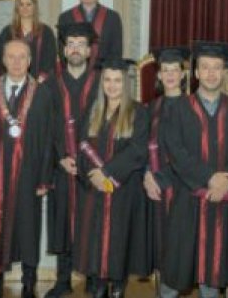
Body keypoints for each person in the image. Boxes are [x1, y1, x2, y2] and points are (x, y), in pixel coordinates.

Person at [160, 42, 228, 298]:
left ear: (224, 72)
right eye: (205, 67)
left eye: (216, 68)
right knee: (176, 269)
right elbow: (176, 152)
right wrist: (209, 177)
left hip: (224, 200)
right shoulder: (177, 108)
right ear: (196, 73)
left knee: (214, 271)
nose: (211, 73)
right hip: (188, 198)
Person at [73, 57, 147, 298]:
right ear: (101, 82)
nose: (112, 85)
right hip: (94, 191)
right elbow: (81, 148)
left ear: (125, 84)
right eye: (107, 80)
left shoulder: (138, 112)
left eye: (117, 81)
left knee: (118, 240)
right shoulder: (92, 111)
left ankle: (117, 286)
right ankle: (97, 284)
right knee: (94, 240)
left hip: (123, 191)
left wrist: (107, 173)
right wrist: (91, 176)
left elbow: (137, 150)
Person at [0, 39, 54, 298]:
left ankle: (29, 281)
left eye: (22, 57)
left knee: (29, 227)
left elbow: (49, 138)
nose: (16, 62)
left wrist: (44, 178)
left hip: (29, 171)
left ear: (30, 61)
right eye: (11, 56)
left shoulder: (43, 93)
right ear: (3, 60)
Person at [45, 22, 100, 298]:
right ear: (64, 50)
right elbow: (44, 127)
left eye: (81, 44)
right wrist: (59, 159)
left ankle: (93, 277)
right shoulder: (50, 85)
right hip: (62, 167)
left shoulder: (102, 83)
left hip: (93, 168)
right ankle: (63, 279)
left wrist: (92, 161)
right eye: (71, 44)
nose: (75, 49)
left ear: (89, 50)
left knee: (93, 221)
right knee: (62, 221)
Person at [140, 46, 189, 283]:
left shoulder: (193, 107)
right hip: (154, 188)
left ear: (183, 74)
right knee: (158, 243)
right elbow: (142, 146)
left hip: (183, 187)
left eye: (174, 70)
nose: (170, 75)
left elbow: (191, 153)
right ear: (159, 75)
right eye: (165, 70)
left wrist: (159, 178)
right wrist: (147, 175)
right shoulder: (151, 108)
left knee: (179, 244)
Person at [57, 0, 123, 63]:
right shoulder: (65, 18)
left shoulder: (113, 18)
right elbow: (62, 51)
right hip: (74, 69)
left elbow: (116, 52)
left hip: (104, 70)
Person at [0, 0, 57, 81]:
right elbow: (2, 60)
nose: (25, 8)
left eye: (28, 4)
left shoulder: (46, 32)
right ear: (17, 8)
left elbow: (50, 60)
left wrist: (38, 82)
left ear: (34, 7)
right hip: (13, 82)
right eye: (21, 4)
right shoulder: (7, 32)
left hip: (40, 83)